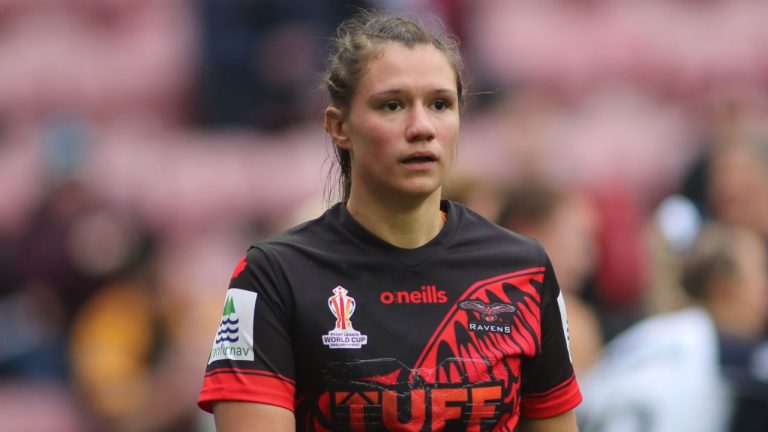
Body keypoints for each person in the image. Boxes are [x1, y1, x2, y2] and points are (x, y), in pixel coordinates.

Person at [197, 10, 582, 431]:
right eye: (392, 105)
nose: (422, 127)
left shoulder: (523, 269)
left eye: (440, 104)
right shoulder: (272, 277)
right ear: (338, 126)